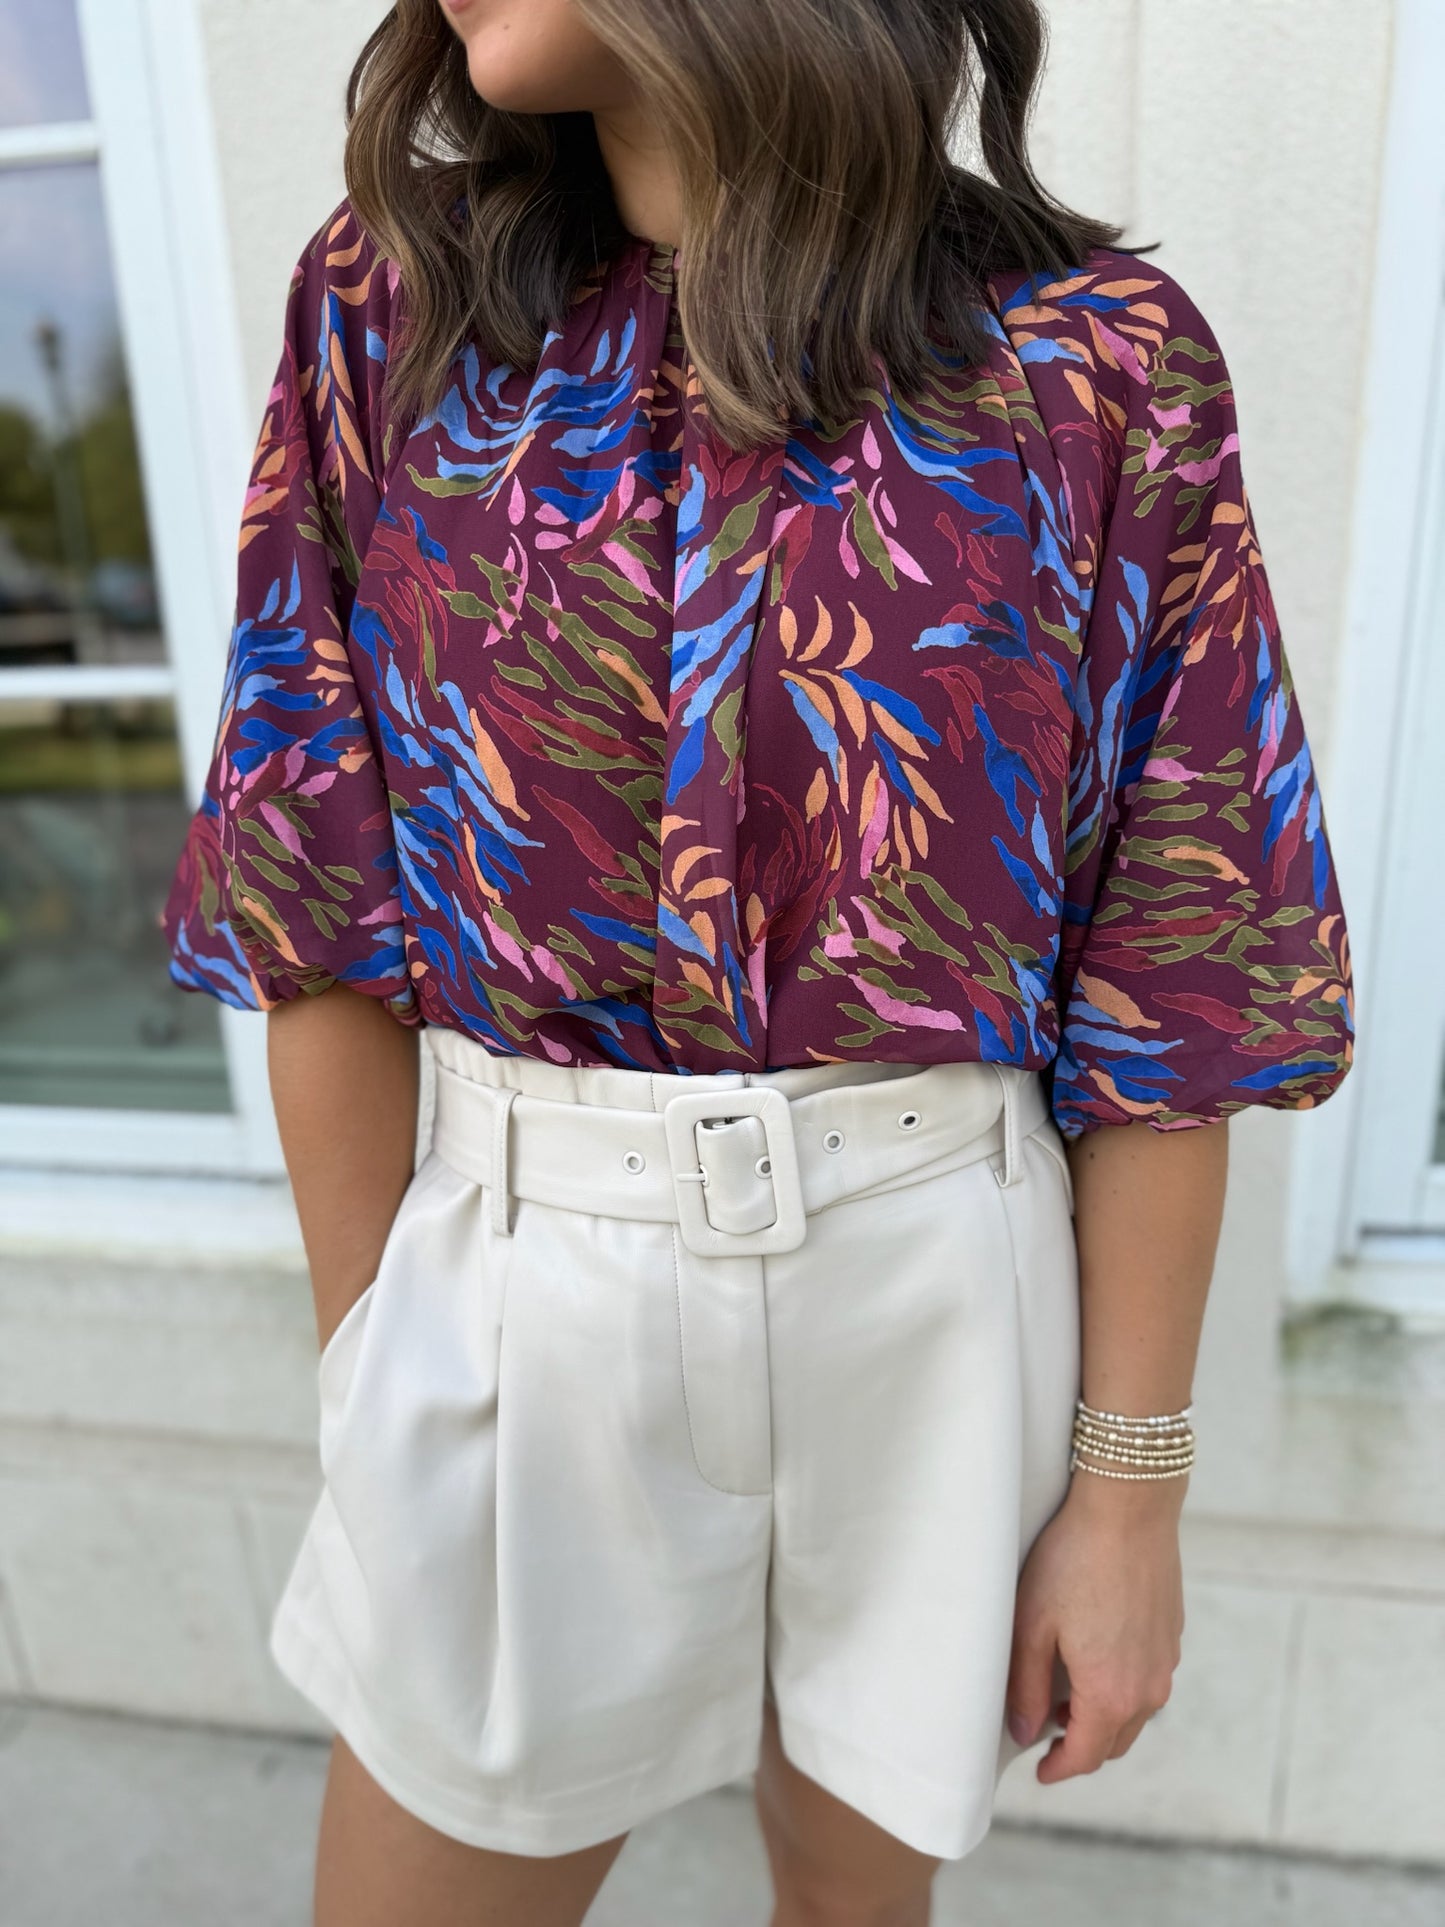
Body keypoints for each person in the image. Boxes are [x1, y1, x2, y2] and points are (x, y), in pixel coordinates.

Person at [162, 1, 1354, 1921]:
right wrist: (368, 1375)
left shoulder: (1091, 360)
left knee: (855, 1905)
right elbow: (314, 881)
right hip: (524, 1276)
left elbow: (1177, 959)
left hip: (938, 1295)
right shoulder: (394, 310)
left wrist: (1129, 1493)